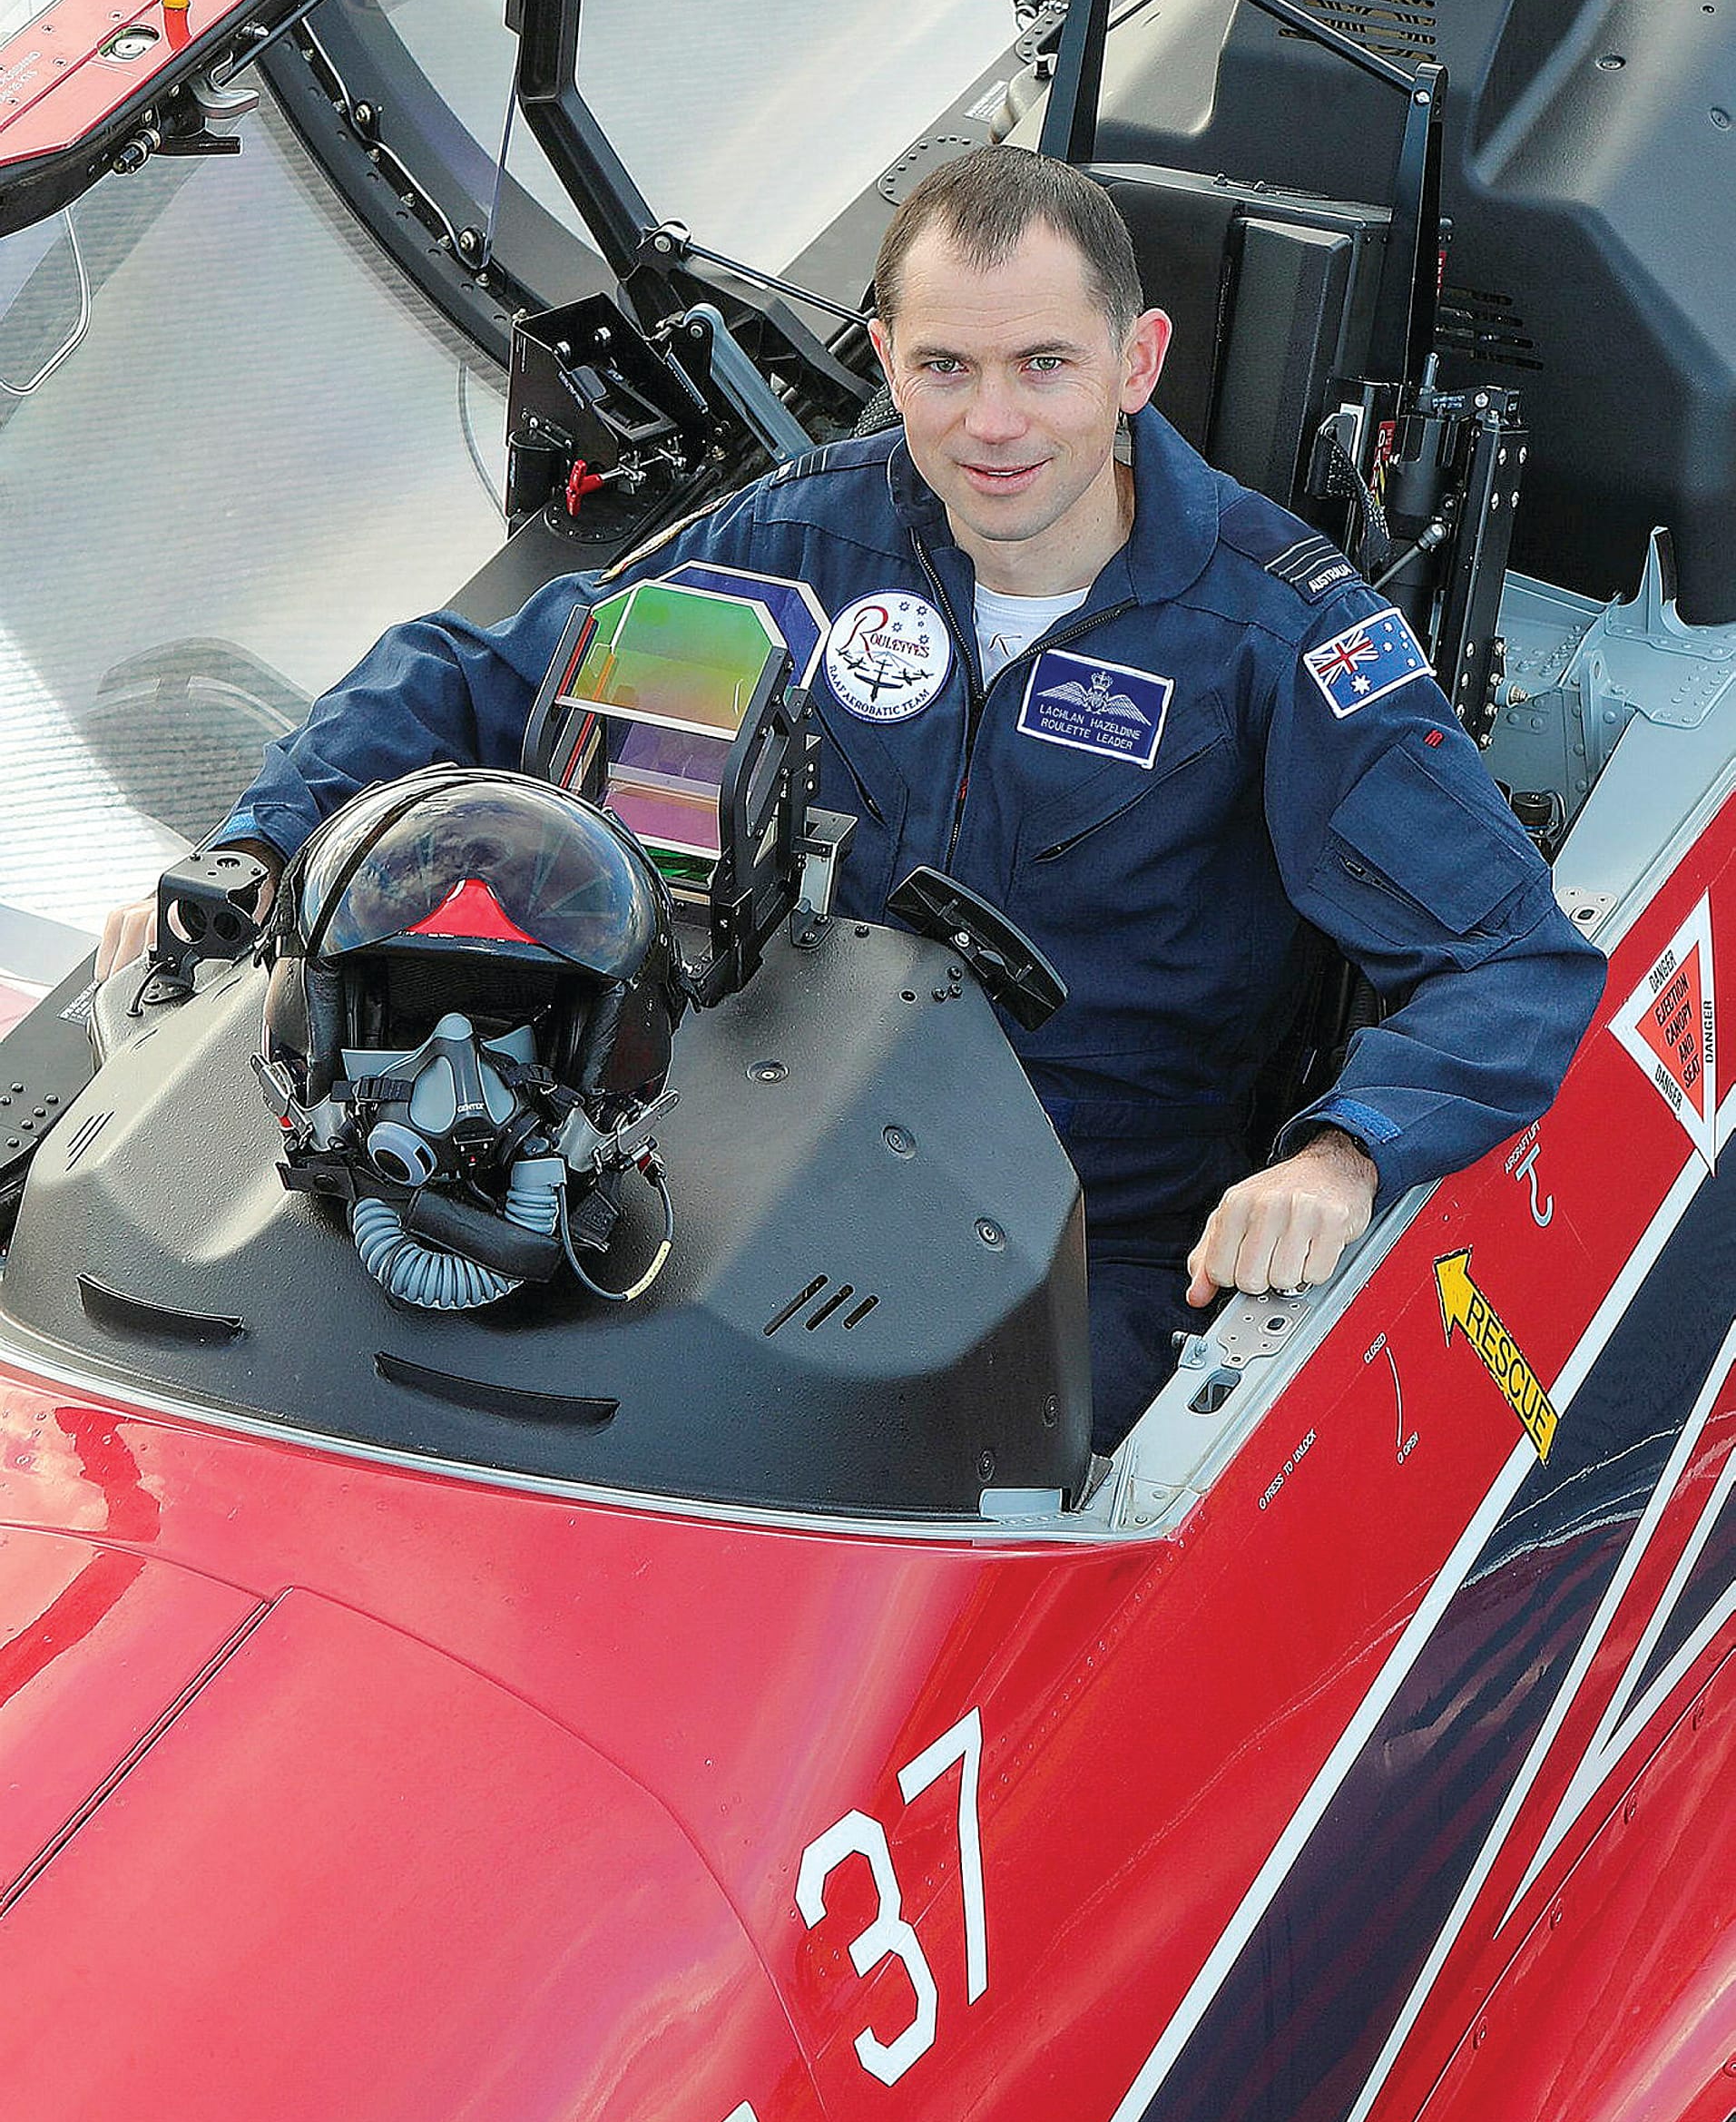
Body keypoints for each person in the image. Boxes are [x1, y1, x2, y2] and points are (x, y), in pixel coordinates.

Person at [98, 145, 1605, 1446]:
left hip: (1082, 1235)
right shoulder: (786, 549)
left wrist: (1345, 1156)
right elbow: (458, 678)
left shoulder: (1281, 636)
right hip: (733, 1159)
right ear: (885, 359)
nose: (991, 424)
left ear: (1136, 362)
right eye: (944, 367)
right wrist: (252, 850)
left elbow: (1509, 963)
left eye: (1043, 366)